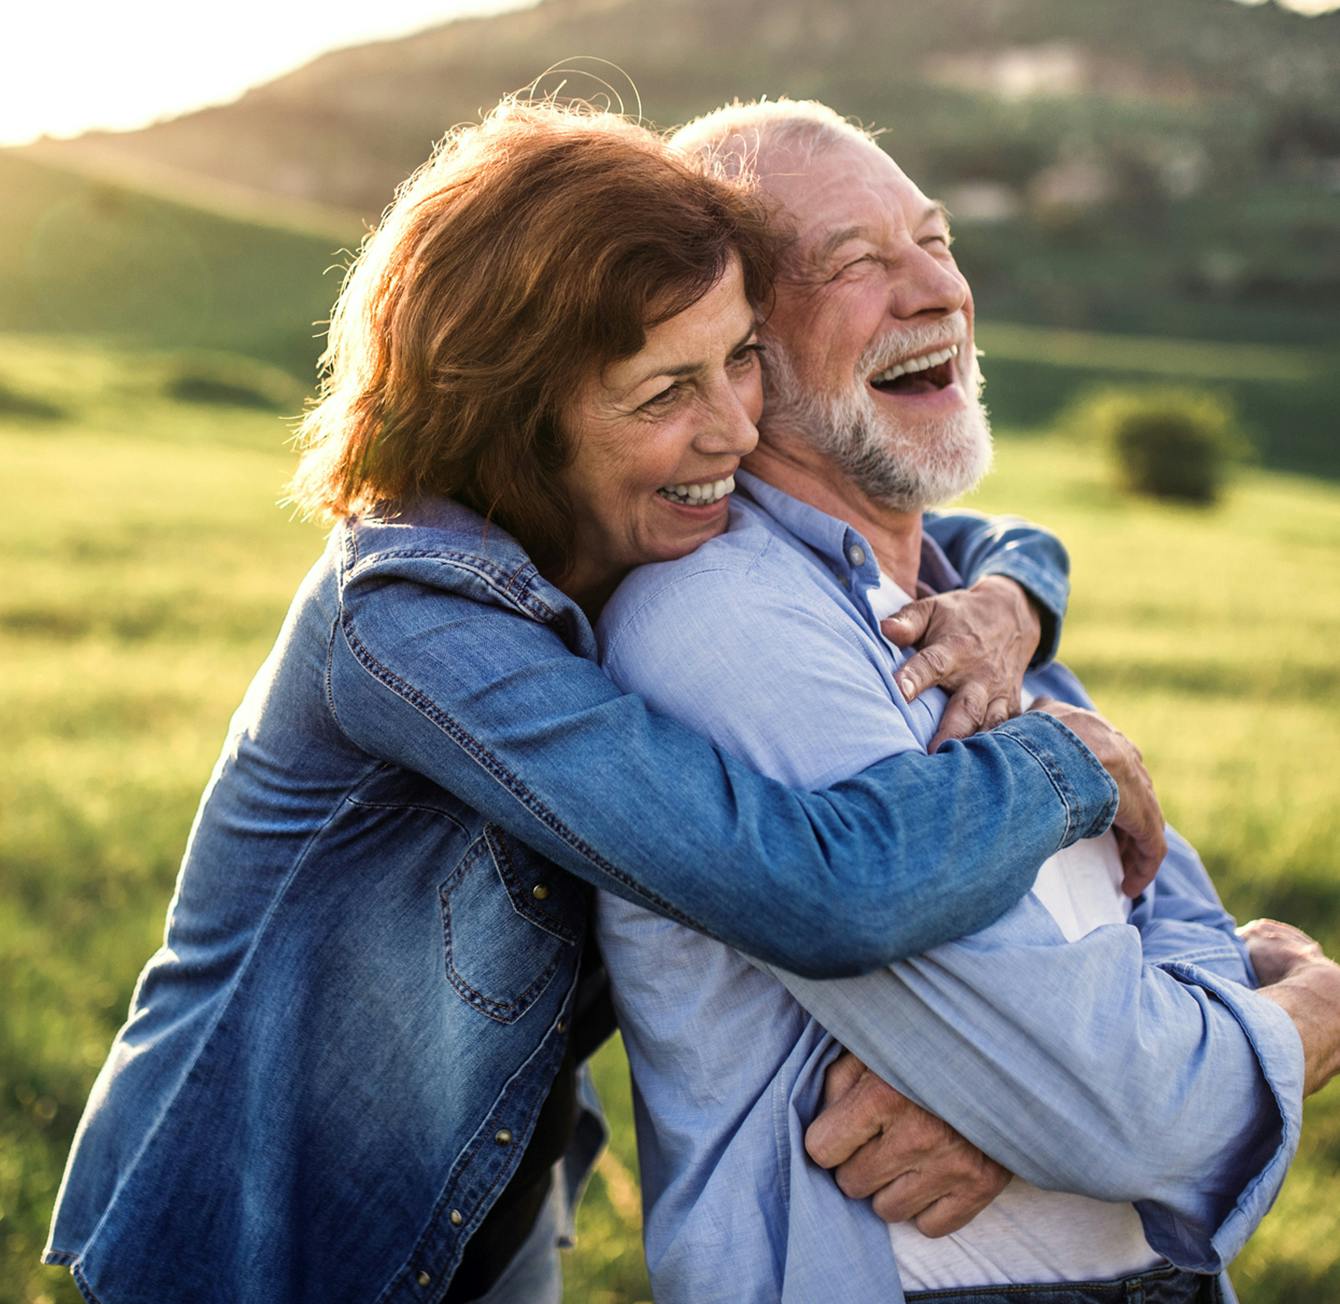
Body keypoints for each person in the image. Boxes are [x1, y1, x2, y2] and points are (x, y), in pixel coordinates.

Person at [39, 100, 1157, 1304]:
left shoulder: (620, 524)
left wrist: (1004, 604)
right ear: (516, 413)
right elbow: (806, 885)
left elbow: (980, 533)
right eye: (663, 391)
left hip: (487, 1201)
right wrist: (1062, 762)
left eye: (737, 356)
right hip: (266, 1240)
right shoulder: (410, 620)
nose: (733, 426)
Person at [596, 99, 1340, 1304]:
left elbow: (1166, 928)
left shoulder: (974, 614)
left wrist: (1044, 1091)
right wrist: (1312, 1005)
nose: (932, 289)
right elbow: (1131, 1108)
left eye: (933, 241)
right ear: (740, 349)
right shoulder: (728, 624)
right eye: (853, 263)